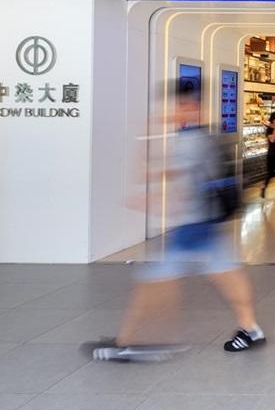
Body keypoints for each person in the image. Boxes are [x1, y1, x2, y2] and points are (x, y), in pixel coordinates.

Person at [85, 84, 265, 361]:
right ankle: (251, 329)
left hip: (194, 224)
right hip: (207, 220)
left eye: (177, 107)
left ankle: (132, 341)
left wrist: (146, 138)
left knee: (154, 280)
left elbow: (159, 173)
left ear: (191, 107)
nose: (171, 113)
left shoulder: (190, 141)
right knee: (227, 272)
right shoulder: (202, 136)